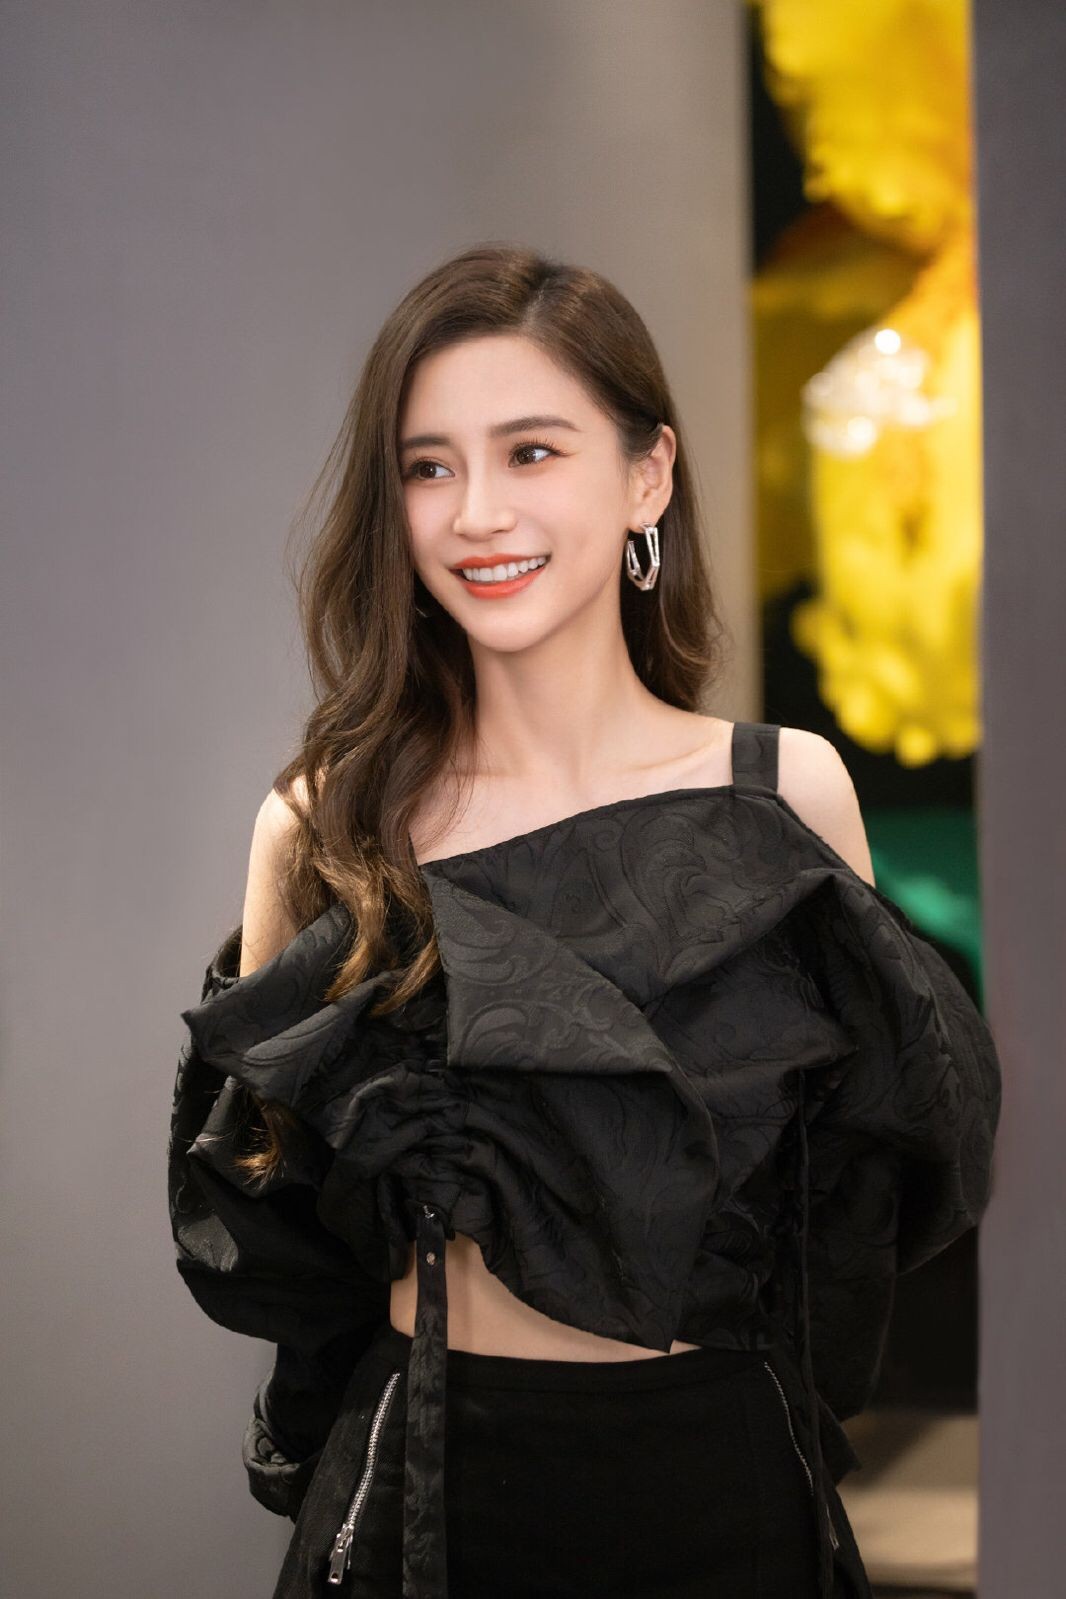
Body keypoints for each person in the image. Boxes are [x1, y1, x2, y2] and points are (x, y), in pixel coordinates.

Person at [168, 243, 1002, 1599]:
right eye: (427, 466)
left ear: (647, 475)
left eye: (531, 451)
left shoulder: (784, 793)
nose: (477, 513)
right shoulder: (323, 823)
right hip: (430, 1496)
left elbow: (855, 1203)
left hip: (726, 1483)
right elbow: (274, 1234)